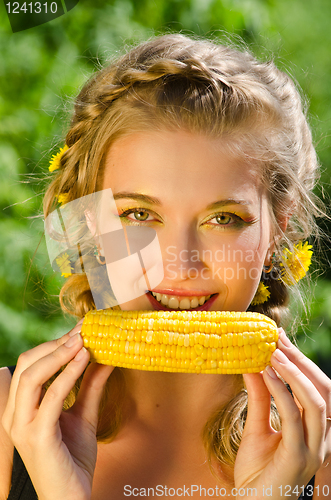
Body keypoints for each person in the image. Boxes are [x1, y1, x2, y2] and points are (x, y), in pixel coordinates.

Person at [0, 33, 330, 500]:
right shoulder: (5, 422)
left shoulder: (323, 455)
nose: (182, 262)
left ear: (279, 227)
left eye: (223, 218)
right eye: (138, 214)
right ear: (90, 225)